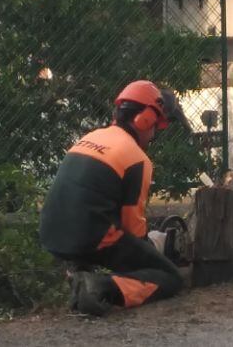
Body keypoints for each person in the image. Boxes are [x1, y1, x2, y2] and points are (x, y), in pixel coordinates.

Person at [39, 80, 187, 316]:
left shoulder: (90, 138)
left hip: (50, 232)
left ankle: (80, 275)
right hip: (89, 237)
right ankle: (101, 287)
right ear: (144, 119)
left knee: (100, 222)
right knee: (170, 277)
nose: (153, 134)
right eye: (155, 126)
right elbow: (133, 228)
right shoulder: (137, 159)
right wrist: (152, 251)